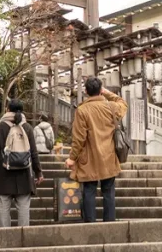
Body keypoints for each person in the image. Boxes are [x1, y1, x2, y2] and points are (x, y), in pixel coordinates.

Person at [66, 77, 128, 223]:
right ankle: (109, 223)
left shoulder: (82, 110)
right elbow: (123, 103)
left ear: (86, 91)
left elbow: (79, 138)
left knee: (89, 191)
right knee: (108, 192)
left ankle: (90, 224)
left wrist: (72, 158)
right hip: (108, 156)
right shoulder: (111, 107)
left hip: (89, 158)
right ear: (100, 90)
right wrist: (107, 93)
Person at [0, 99, 43, 228]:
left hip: (3, 174)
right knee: (23, 210)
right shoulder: (27, 128)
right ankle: (23, 240)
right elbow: (33, 152)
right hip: (23, 175)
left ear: (7, 109)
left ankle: (5, 239)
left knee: (3, 210)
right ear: (21, 111)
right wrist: (38, 172)